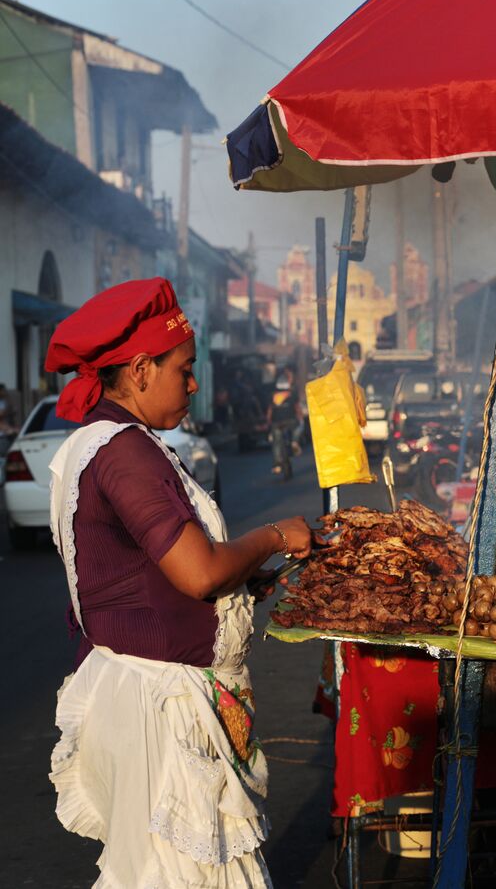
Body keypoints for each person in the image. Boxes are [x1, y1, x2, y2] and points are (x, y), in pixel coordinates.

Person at [43, 278, 313, 887]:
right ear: (141, 370)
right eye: (184, 370)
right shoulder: (124, 451)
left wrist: (239, 580)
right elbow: (197, 571)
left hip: (144, 697)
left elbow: (141, 569)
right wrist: (273, 535)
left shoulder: (109, 442)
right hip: (160, 715)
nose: (193, 385)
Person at [267, 369, 300, 477]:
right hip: (290, 422)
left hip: (276, 423)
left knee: (276, 442)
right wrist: (300, 418)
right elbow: (297, 408)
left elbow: (269, 412)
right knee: (299, 427)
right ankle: (294, 441)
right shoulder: (292, 394)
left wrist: (269, 423)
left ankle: (277, 463)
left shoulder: (273, 396)